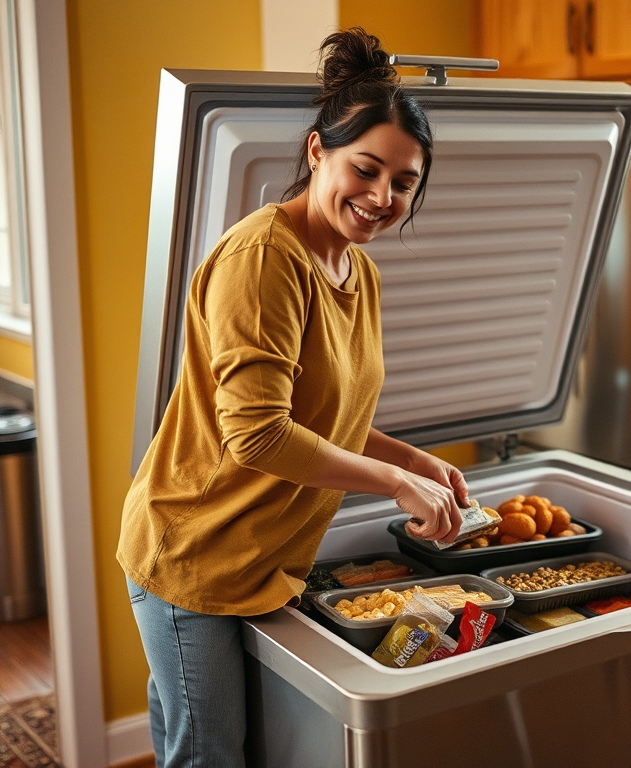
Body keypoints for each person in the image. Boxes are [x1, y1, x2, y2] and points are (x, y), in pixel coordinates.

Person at [117, 28, 467, 768]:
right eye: (365, 170)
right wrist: (397, 483)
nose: (381, 198)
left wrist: (416, 461)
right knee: (209, 758)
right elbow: (260, 437)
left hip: (262, 558)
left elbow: (332, 418)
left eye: (403, 183)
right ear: (317, 152)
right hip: (197, 557)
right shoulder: (263, 260)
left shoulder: (353, 268)